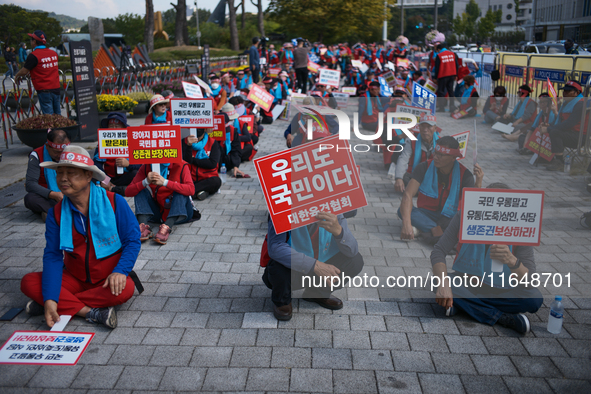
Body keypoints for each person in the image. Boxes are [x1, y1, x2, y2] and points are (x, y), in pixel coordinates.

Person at [20, 145, 141, 329]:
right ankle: (90, 312)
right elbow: (53, 256)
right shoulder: (56, 213)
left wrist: (121, 271)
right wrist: (51, 296)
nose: (64, 179)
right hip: (74, 277)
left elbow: (132, 240)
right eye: (60, 173)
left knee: (125, 290)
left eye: (71, 173)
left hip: (108, 277)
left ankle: (56, 304)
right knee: (28, 282)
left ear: (88, 176)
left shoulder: (114, 201)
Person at [262, 128, 364, 321]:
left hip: (319, 263)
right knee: (278, 268)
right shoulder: (283, 197)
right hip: (293, 268)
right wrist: (314, 266)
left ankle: (317, 292)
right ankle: (281, 299)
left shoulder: (334, 196)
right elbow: (275, 248)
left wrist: (339, 232)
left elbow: (352, 251)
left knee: (355, 261)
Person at [430, 183, 544, 334]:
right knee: (434, 282)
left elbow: (530, 281)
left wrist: (512, 261)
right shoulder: (465, 215)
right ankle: (502, 317)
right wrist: (444, 285)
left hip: (504, 289)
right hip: (468, 282)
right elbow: (438, 251)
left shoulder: (520, 226)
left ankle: (465, 305)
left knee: (534, 298)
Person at [398, 136, 481, 244]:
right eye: (435, 153)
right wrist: (406, 224)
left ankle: (424, 228)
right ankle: (433, 228)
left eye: (441, 155)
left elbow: (473, 207)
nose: (436, 157)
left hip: (450, 216)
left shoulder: (465, 175)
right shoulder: (424, 167)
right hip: (427, 212)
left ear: (453, 157)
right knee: (402, 211)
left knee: (462, 221)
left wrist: (478, 182)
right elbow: (408, 195)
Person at [24, 129, 70, 220]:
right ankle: (61, 211)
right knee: (30, 199)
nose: (60, 155)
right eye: (56, 152)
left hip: (69, 192)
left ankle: (52, 212)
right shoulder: (36, 155)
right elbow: (30, 184)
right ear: (47, 146)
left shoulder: (73, 153)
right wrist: (53, 194)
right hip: (49, 195)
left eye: (63, 151)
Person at [541, 80, 586, 171]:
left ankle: (560, 162)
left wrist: (549, 129)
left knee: (554, 132)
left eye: (568, 91)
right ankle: (546, 157)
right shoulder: (567, 103)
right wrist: (548, 125)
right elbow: (561, 121)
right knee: (553, 130)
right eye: (564, 91)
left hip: (579, 137)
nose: (564, 93)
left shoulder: (580, 104)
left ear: (577, 92)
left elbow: (569, 123)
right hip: (570, 133)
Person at [14, 30, 61, 115]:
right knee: (58, 115)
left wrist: (17, 75)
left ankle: (50, 129)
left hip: (44, 90)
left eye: (31, 40)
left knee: (49, 116)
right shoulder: (53, 53)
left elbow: (24, 71)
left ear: (34, 41)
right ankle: (61, 128)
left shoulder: (34, 55)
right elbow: (45, 67)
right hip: (56, 88)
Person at [93, 113, 140, 196]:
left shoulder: (132, 141)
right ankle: (110, 189)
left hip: (125, 177)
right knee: (91, 175)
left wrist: (128, 164)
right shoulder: (102, 142)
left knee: (136, 174)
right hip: (107, 177)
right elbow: (96, 164)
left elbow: (141, 163)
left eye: (117, 125)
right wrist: (105, 180)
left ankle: (115, 190)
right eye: (111, 125)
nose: (114, 128)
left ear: (123, 127)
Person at [394, 114, 439, 192]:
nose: (425, 130)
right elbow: (403, 158)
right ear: (419, 127)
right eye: (422, 126)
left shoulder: (440, 142)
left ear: (435, 128)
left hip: (434, 175)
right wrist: (398, 178)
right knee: (405, 179)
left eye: (429, 126)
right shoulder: (412, 141)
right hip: (415, 175)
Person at [182, 128, 222, 200]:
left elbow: (212, 164)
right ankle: (199, 192)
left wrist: (193, 160)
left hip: (207, 178)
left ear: (204, 131)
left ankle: (189, 192)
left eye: (199, 136)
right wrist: (189, 146)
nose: (197, 139)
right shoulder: (184, 142)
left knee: (216, 181)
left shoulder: (212, 142)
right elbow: (186, 162)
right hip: (190, 178)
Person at [431, 33, 459, 113]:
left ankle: (441, 107)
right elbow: (456, 65)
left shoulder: (439, 55)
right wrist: (456, 74)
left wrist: (435, 78)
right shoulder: (452, 54)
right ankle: (452, 106)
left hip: (443, 75)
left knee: (441, 92)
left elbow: (437, 68)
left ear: (438, 49)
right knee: (450, 91)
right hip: (452, 75)